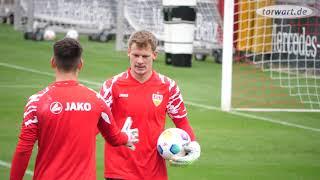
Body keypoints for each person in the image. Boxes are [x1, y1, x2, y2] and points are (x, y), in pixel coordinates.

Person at [10, 38, 138, 180]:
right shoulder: (96, 100)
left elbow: (24, 149)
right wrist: (126, 137)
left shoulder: (36, 102)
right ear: (80, 64)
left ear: (53, 62)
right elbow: (114, 138)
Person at [99, 30, 201, 180]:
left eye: (145, 56)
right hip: (119, 171)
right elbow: (96, 123)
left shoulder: (168, 86)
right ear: (128, 53)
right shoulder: (112, 86)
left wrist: (194, 146)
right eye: (136, 55)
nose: (140, 61)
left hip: (154, 172)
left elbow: (182, 122)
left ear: (154, 55)